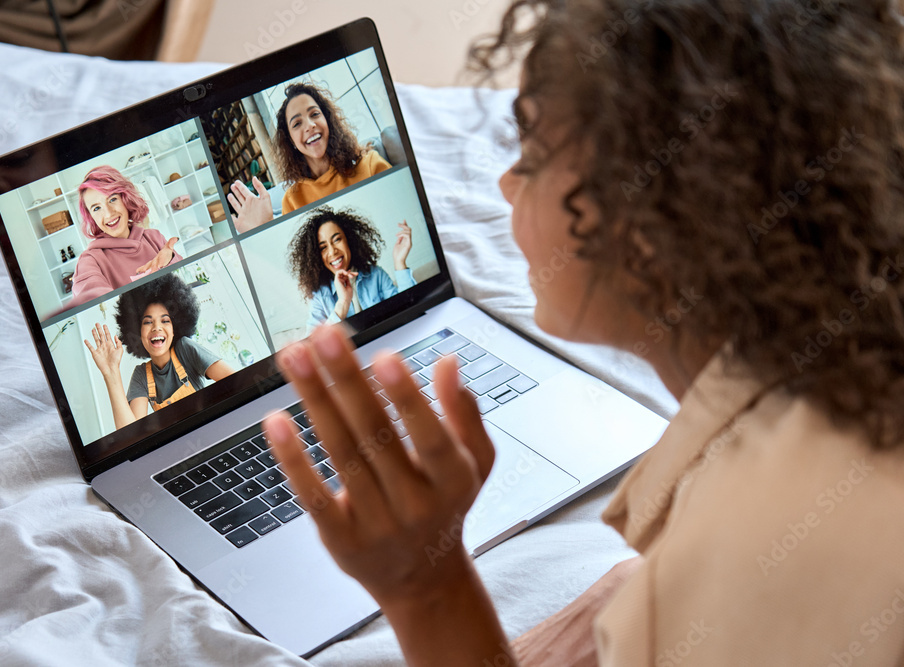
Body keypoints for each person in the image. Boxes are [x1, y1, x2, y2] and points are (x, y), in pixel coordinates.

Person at [262, 0, 904, 665]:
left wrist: (424, 585)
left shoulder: (751, 553)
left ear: (652, 223)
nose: (507, 181)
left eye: (534, 155)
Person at [227, 82, 392, 232]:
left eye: (314, 114)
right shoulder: (292, 199)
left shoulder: (370, 164)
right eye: (297, 124)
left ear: (327, 120)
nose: (310, 125)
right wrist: (266, 229)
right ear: (291, 140)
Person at [84, 273, 234, 430]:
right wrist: (111, 372)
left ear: (175, 328)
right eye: (148, 322)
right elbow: (131, 435)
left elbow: (235, 382)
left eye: (165, 321)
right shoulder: (141, 375)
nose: (156, 327)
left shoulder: (185, 349)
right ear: (137, 332)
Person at [288, 205, 414, 331]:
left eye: (337, 239)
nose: (332, 252)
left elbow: (409, 309)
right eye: (323, 247)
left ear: (349, 239)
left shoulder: (376, 275)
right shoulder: (320, 297)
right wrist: (342, 303)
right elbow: (313, 346)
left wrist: (400, 262)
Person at [71, 165, 182, 304]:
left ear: (125, 199)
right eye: (97, 208)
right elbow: (92, 298)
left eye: (112, 199)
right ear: (91, 217)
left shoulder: (154, 237)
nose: (109, 213)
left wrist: (171, 260)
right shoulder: (90, 260)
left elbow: (184, 283)